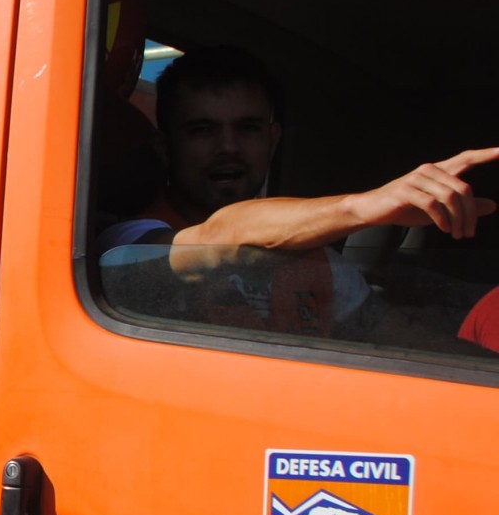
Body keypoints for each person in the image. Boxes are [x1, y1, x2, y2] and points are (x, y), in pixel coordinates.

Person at [99, 46, 498, 334]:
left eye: (248, 128)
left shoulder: (319, 263)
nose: (228, 148)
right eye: (201, 130)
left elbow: (414, 351)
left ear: (273, 140)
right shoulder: (129, 245)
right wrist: (369, 205)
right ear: (165, 146)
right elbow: (222, 235)